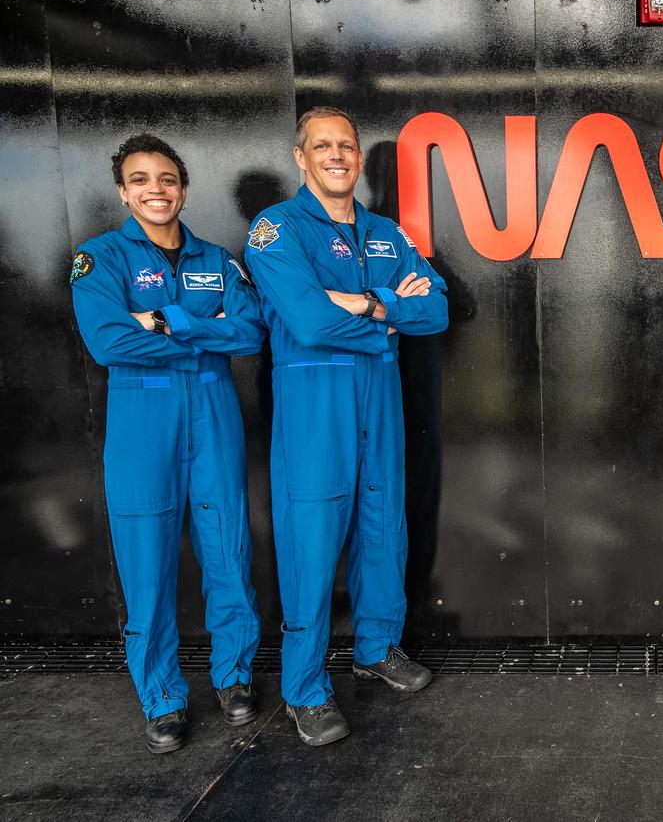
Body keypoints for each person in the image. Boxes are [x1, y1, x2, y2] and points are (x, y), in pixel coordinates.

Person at [244, 107, 448, 747]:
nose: (338, 155)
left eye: (348, 146)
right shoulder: (275, 230)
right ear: (300, 157)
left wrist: (367, 303)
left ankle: (377, 647)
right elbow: (306, 321)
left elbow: (436, 308)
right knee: (311, 543)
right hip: (314, 405)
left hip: (378, 401)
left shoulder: (386, 232)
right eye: (322, 146)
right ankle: (305, 690)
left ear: (360, 159)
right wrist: (386, 311)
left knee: (383, 523)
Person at [70, 134, 264, 753]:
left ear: (183, 187)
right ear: (123, 192)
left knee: (227, 550)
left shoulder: (217, 259)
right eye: (141, 179)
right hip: (141, 418)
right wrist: (203, 330)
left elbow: (251, 332)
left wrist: (163, 319)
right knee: (146, 564)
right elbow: (109, 343)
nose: (156, 189)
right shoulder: (99, 259)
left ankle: (234, 678)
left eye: (167, 178)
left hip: (212, 411)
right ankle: (162, 696)